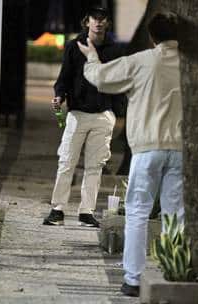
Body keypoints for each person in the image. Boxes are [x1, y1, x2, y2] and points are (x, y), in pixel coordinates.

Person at [78, 12, 184, 297]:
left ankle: (133, 279)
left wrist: (90, 55)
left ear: (152, 37)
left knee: (137, 211)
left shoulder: (142, 61)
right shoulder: (190, 64)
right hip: (180, 149)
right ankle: (173, 272)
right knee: (175, 214)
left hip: (147, 148)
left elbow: (100, 77)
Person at [43, 6, 125, 228]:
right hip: (78, 113)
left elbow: (117, 81)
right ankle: (57, 208)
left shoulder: (114, 50)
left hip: (103, 114)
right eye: (94, 19)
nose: (98, 23)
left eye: (102, 19)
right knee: (66, 161)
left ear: (107, 23)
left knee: (95, 166)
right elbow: (64, 77)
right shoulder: (74, 46)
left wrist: (115, 112)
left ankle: (86, 212)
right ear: (87, 21)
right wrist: (59, 96)